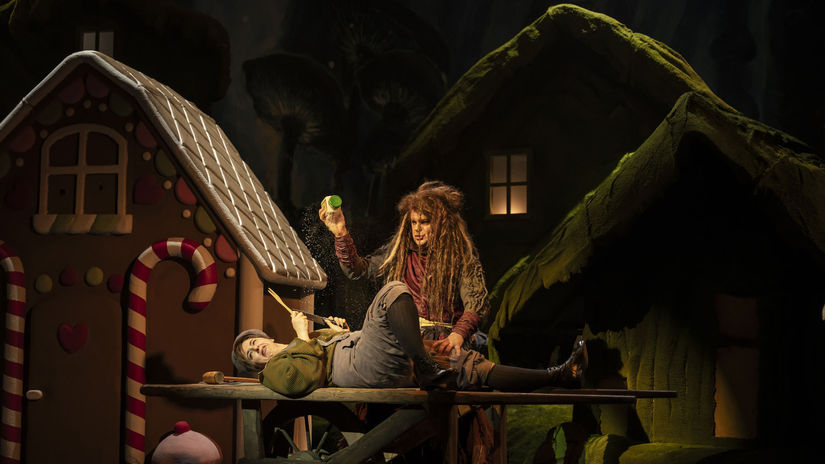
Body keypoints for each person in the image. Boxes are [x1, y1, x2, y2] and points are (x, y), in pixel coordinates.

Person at [232, 281, 587, 397]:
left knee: (467, 364)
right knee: (393, 291)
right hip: (357, 368)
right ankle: (426, 367)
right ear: (255, 366)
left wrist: (338, 329)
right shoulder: (273, 372)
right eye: (251, 354)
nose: (256, 349)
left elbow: (334, 344)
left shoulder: (305, 340)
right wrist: (301, 335)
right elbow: (302, 377)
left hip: (367, 354)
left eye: (253, 342)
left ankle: (559, 376)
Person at [319, 181, 489, 356]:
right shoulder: (399, 253)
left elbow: (476, 304)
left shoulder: (460, 257)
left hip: (446, 344)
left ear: (441, 224)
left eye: (424, 222)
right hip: (405, 342)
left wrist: (459, 334)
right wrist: (340, 233)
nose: (417, 229)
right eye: (414, 222)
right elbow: (358, 271)